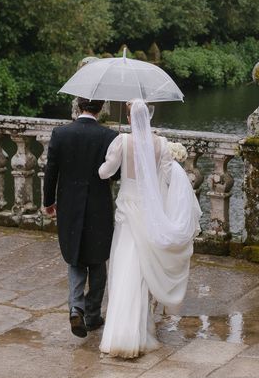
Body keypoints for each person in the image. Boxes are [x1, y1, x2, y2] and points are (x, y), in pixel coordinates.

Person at [97, 99, 200, 358]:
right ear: (149, 117)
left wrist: (103, 163)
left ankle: (120, 332)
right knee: (142, 271)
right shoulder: (162, 144)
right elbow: (166, 176)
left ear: (130, 118)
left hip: (127, 211)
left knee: (123, 267)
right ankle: (141, 331)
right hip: (150, 213)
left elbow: (104, 173)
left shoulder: (121, 141)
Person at [42, 97, 119, 338]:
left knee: (75, 257)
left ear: (78, 106)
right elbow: (115, 175)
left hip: (70, 205)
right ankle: (93, 314)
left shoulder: (61, 134)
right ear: (102, 108)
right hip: (99, 206)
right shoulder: (109, 136)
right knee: (97, 260)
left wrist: (48, 202)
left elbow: (51, 172)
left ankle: (76, 307)